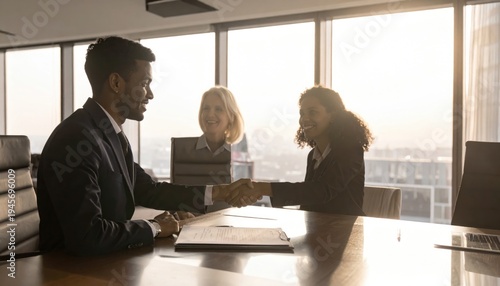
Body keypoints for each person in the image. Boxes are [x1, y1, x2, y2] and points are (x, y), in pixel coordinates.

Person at [36, 36, 253, 256]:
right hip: (68, 273)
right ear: (116, 83)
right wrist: (155, 227)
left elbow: (150, 190)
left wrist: (219, 192)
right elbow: (88, 236)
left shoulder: (111, 135)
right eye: (144, 84)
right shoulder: (76, 139)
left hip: (107, 263)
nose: (150, 94)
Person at [227, 86, 373, 216]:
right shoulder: (313, 156)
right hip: (318, 231)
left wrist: (261, 188)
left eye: (312, 112)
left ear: (333, 115)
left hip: (345, 235)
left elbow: (322, 191)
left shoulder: (350, 150)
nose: (304, 119)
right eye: (302, 113)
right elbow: (308, 200)